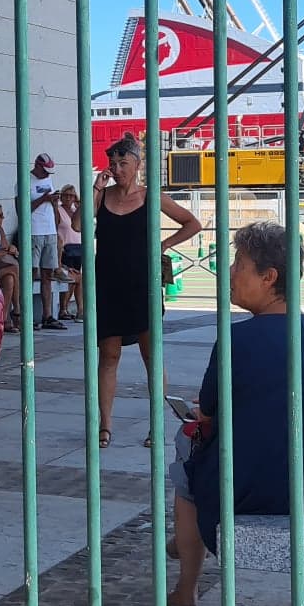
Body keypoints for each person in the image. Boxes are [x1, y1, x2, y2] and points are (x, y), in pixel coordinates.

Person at [167, 223, 304, 606]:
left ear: (269, 277)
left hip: (261, 491)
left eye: (239, 265)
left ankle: (186, 591)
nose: (231, 274)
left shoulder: (236, 340)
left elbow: (209, 418)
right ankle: (187, 541)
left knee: (187, 451)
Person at [91, 135, 203, 449]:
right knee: (108, 355)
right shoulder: (103, 195)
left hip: (143, 284)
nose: (116, 168)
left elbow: (192, 223)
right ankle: (105, 425)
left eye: (122, 163)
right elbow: (78, 223)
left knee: (150, 355)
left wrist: (162, 245)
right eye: (113, 163)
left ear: (137, 165)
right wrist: (96, 188)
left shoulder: (151, 196)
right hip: (109, 283)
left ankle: (156, 424)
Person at [28, 153, 65, 330]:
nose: (47, 175)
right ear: (37, 166)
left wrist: (55, 206)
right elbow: (23, 209)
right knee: (31, 273)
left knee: (47, 275)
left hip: (49, 230)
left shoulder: (48, 180)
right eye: (45, 171)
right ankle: (27, 314)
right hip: (34, 231)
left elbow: (52, 205)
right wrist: (44, 198)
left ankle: (47, 314)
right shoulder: (26, 181)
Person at [55, 184, 84, 322]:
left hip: (78, 247)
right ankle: (64, 308)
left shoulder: (75, 210)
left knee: (76, 278)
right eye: (65, 195)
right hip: (66, 248)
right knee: (72, 279)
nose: (68, 198)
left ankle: (77, 309)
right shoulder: (58, 211)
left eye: (71, 195)